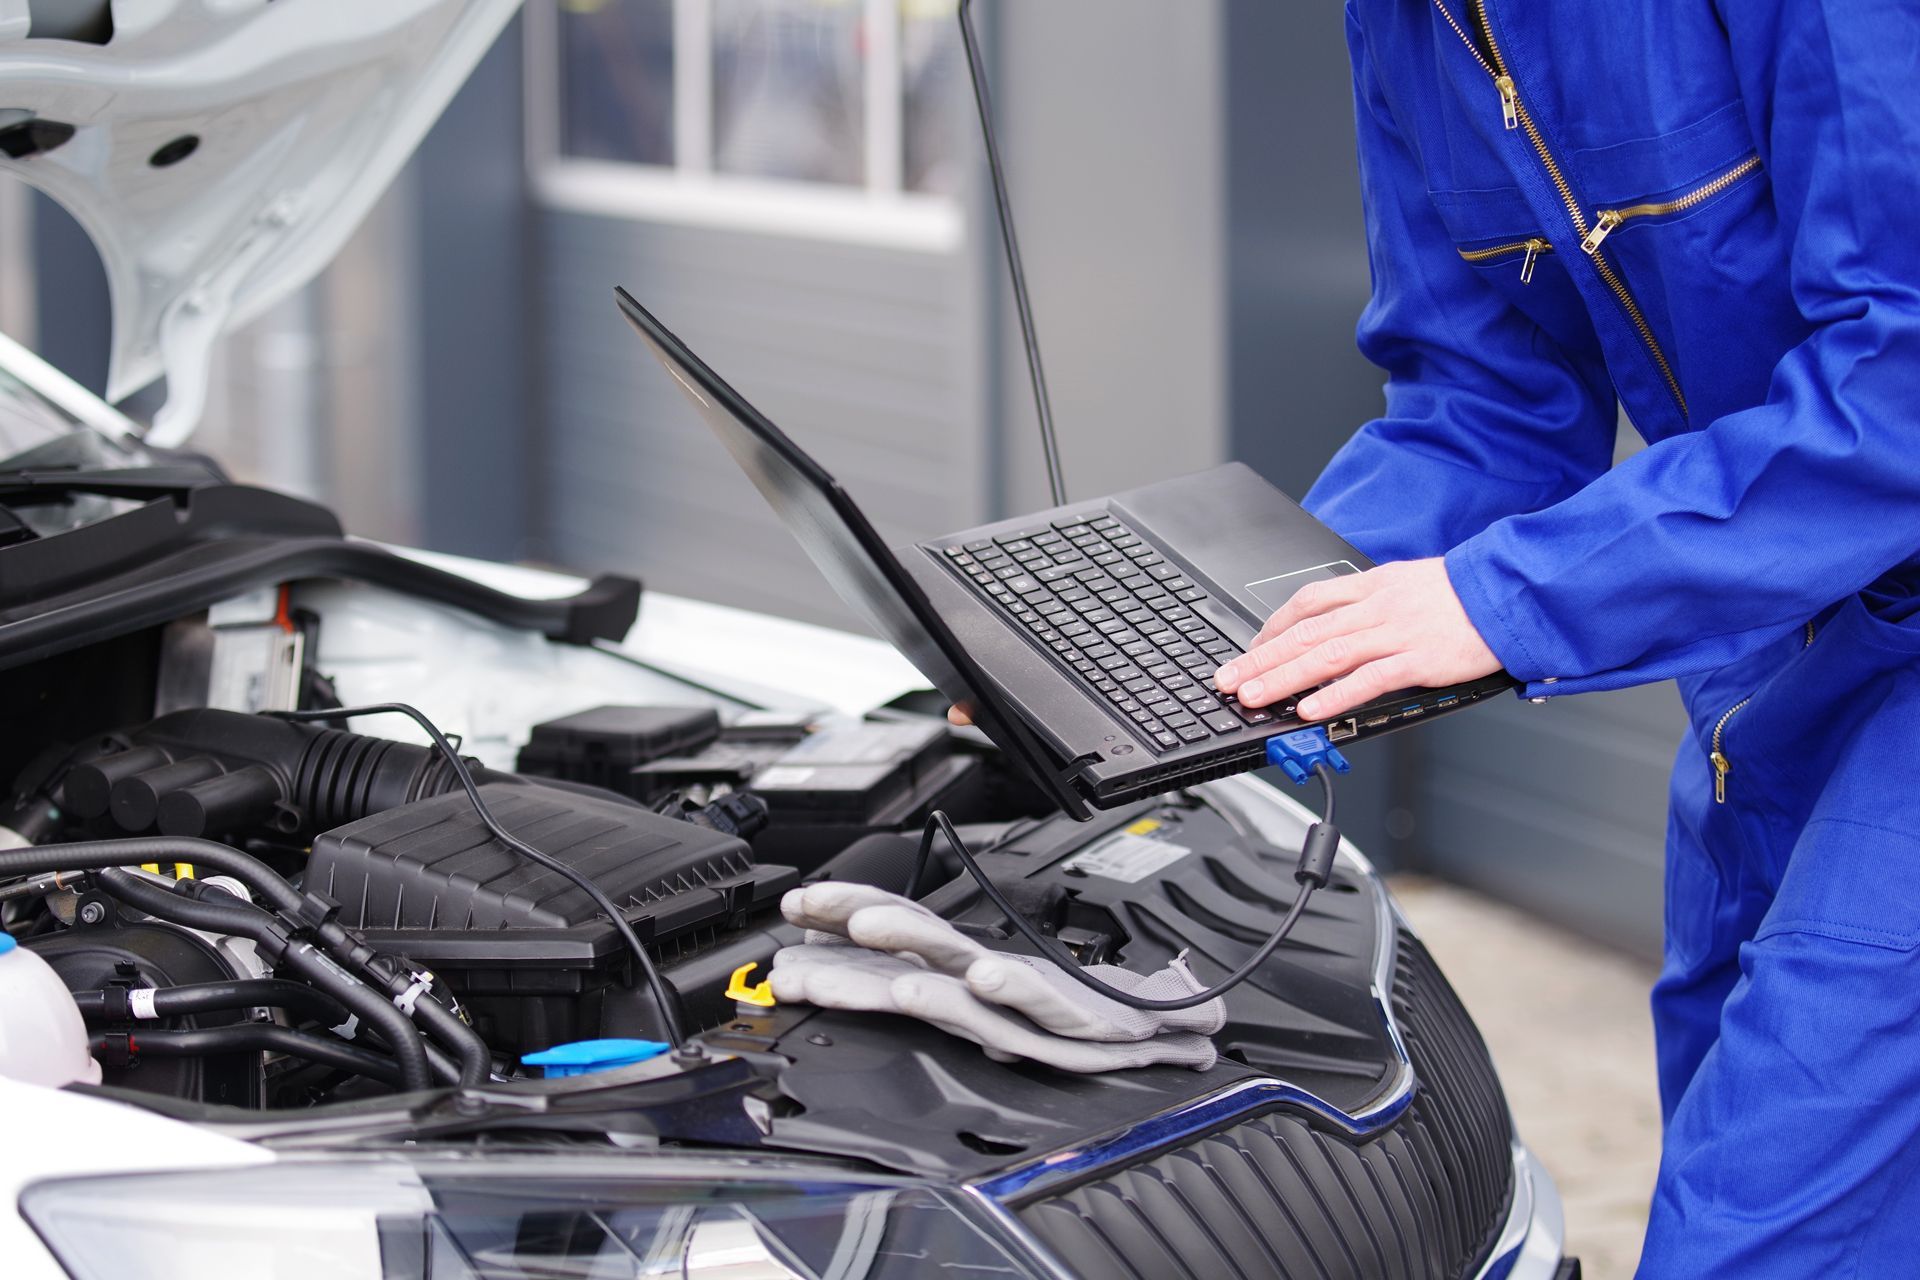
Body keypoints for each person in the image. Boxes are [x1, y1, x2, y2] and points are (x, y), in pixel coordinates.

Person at [1208, 2, 1920, 1275]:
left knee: (1755, 1226)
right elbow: (1488, 403)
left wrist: (1505, 599)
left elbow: (1905, 378)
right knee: (1740, 1119)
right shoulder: (1407, 26)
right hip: (1764, 660)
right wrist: (1216, 639)